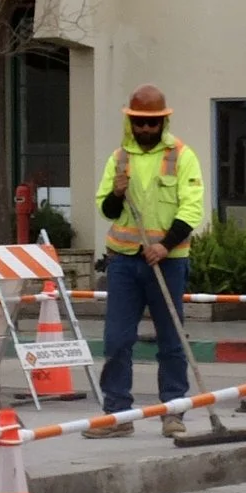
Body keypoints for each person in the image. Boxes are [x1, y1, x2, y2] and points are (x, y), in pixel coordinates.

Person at [86, 83, 205, 439]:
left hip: (167, 263)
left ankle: (173, 411)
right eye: (140, 123)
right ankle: (117, 413)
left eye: (152, 123)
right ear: (131, 122)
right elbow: (105, 208)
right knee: (117, 339)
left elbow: (192, 207)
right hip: (124, 261)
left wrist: (165, 245)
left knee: (171, 340)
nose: (146, 129)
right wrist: (117, 193)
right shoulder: (119, 159)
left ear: (163, 122)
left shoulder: (182, 156)